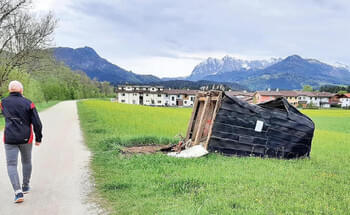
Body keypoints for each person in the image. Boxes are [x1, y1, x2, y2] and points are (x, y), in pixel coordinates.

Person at [0, 80, 42, 203]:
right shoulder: (29, 103)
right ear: (21, 90)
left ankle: (18, 192)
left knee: (11, 164)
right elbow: (37, 123)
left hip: (10, 138)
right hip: (26, 138)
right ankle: (25, 186)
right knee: (26, 161)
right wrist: (38, 138)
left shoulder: (3, 102)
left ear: (9, 90)